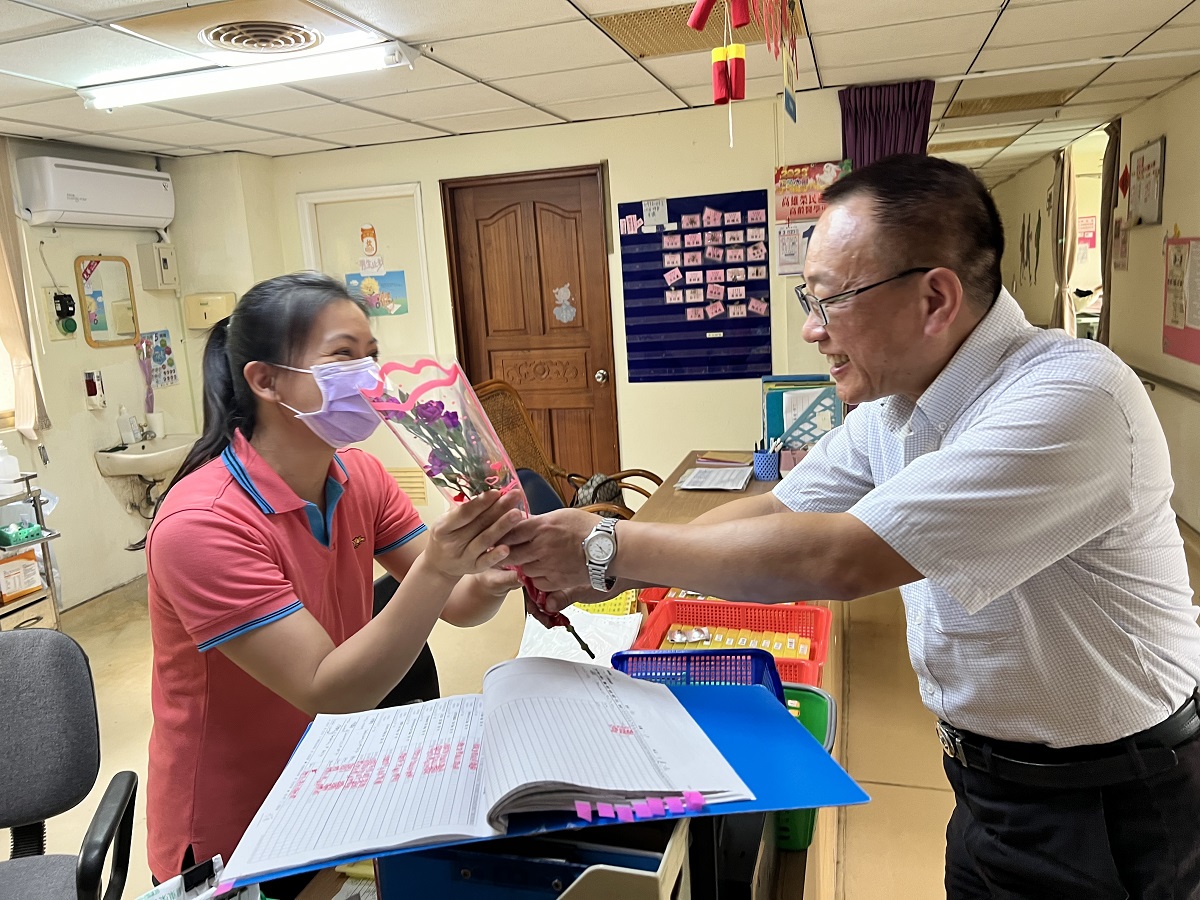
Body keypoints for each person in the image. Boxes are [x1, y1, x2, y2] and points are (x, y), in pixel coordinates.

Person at [503, 155, 1200, 898]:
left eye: (829, 300)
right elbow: (778, 510)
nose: (810, 329)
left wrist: (605, 548)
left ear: (934, 298)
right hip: (986, 781)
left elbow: (841, 560)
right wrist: (608, 568)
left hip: (1105, 795)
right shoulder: (895, 410)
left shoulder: (1071, 397)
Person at [143, 273, 524, 896]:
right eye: (343, 357)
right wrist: (443, 563)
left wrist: (492, 571)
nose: (370, 377)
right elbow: (327, 687)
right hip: (233, 822)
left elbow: (456, 603)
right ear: (265, 381)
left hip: (328, 778)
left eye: (371, 355)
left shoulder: (359, 476)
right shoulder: (202, 525)